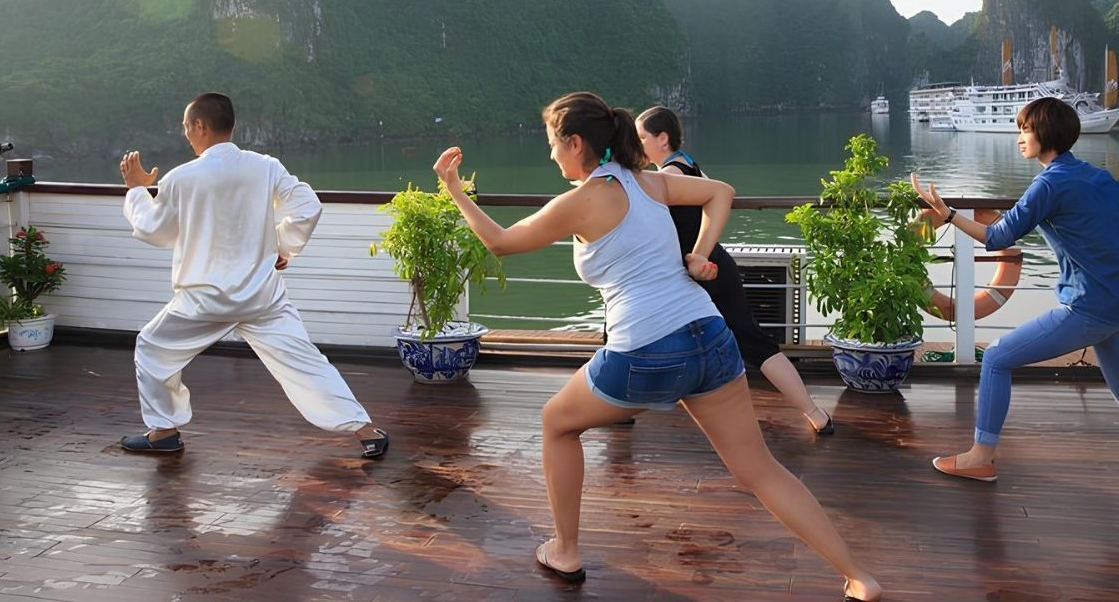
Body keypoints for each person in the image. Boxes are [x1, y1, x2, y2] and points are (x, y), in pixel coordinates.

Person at [432, 92, 880, 601]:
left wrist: (454, 191)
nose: (550, 154)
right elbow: (722, 192)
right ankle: (859, 576)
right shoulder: (650, 180)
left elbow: (500, 242)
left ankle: (565, 549)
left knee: (557, 423)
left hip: (647, 348)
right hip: (710, 335)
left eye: (552, 144)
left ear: (576, 142)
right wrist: (698, 256)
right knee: (760, 470)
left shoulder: (581, 201)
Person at [117, 92, 388, 460]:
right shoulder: (265, 167)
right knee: (304, 361)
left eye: (185, 126)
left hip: (203, 300)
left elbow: (154, 230)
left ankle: (164, 431)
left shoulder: (181, 178)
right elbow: (308, 207)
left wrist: (136, 190)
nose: (184, 133)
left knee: (152, 348)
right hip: (262, 297)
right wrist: (282, 246)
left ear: (200, 126)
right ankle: (365, 432)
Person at [913, 96, 1119, 482]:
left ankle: (981, 457)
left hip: (1090, 306)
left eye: (1024, 130)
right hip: (1114, 301)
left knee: (996, 358)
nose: (1019, 138)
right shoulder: (1098, 176)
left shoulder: (1049, 185)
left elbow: (997, 237)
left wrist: (949, 214)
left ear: (1045, 133)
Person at [636, 106, 834, 435]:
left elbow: (643, 195)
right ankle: (814, 413)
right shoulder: (688, 163)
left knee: (748, 340)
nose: (637, 143)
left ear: (662, 138)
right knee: (751, 340)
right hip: (706, 268)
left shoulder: (669, 175)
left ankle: (618, 404)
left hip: (705, 272)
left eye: (641, 137)